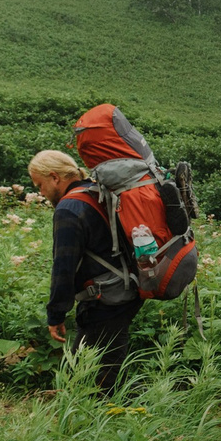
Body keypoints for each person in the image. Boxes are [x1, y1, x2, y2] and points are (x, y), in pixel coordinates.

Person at [33, 148, 138, 394]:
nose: (41, 193)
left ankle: (93, 420)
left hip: (105, 298)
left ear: (54, 177)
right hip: (124, 289)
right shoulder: (94, 192)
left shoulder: (69, 208)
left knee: (87, 373)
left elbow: (64, 265)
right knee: (105, 364)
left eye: (40, 185)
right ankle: (107, 414)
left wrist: (56, 314)